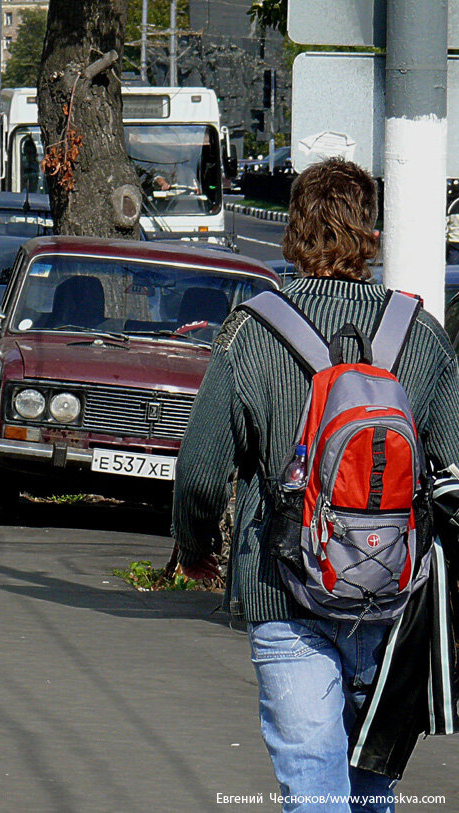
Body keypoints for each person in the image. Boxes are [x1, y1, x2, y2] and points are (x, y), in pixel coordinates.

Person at [172, 158, 459, 810]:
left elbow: (199, 470)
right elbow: (453, 466)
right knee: (372, 789)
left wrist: (194, 549)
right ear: (370, 235)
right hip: (393, 594)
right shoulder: (419, 333)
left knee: (314, 790)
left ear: (292, 232)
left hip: (284, 591)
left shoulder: (252, 329)